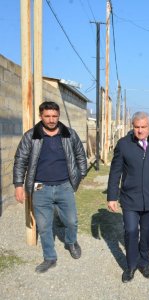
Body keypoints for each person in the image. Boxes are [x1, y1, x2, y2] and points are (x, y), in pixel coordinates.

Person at [13, 101, 87, 273]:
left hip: (65, 186)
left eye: (54, 116)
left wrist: (79, 176)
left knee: (71, 220)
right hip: (40, 188)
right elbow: (20, 161)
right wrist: (18, 185)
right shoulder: (31, 136)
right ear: (41, 116)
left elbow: (80, 156)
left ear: (58, 115)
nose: (51, 120)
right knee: (44, 225)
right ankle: (50, 257)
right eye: (47, 116)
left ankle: (71, 241)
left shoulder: (69, 134)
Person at [107, 111, 149, 283]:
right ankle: (130, 266)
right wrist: (112, 196)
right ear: (132, 127)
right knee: (130, 231)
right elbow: (115, 172)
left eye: (143, 127)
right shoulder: (123, 145)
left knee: (147, 233)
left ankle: (143, 263)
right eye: (136, 127)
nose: (140, 131)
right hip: (130, 198)